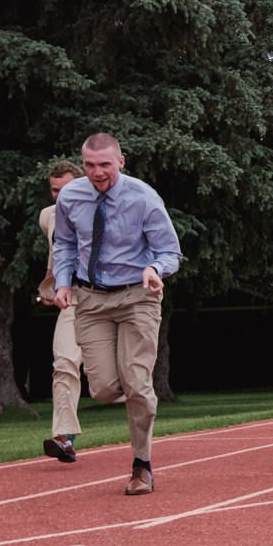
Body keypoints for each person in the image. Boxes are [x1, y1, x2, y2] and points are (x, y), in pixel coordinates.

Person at [51, 133, 183, 496]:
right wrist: (62, 282)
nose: (97, 173)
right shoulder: (72, 197)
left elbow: (170, 251)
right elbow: (64, 242)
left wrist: (155, 268)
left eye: (105, 165)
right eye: (90, 165)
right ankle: (138, 396)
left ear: (120, 162)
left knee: (137, 384)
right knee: (105, 390)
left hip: (137, 297)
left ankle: (142, 466)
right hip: (91, 300)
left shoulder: (143, 197)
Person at [38, 159, 85, 465]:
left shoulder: (104, 209)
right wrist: (52, 290)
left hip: (111, 300)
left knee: (115, 377)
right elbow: (55, 257)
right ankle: (64, 437)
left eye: (65, 189)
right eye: (55, 190)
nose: (60, 196)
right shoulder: (48, 217)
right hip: (73, 300)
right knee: (64, 363)